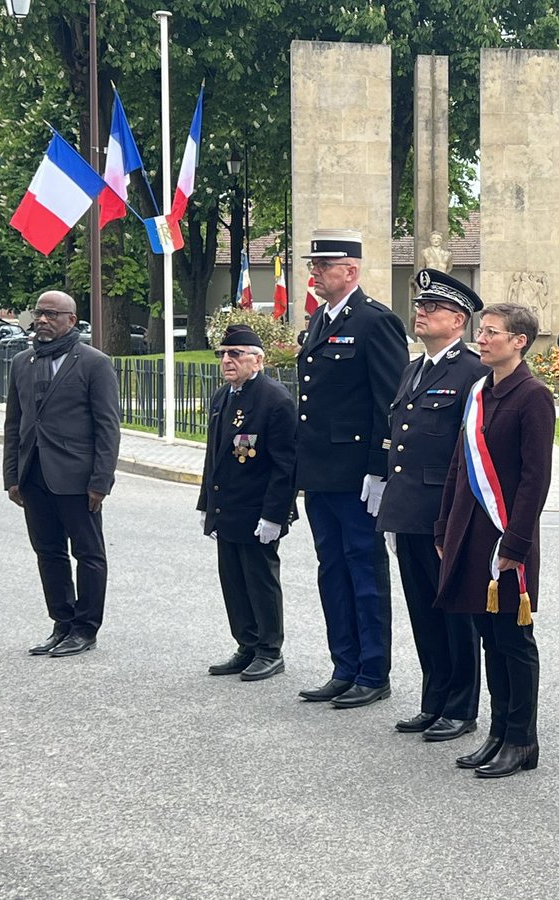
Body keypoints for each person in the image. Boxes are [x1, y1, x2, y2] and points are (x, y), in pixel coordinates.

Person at [434, 302, 555, 777]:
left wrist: (517, 544)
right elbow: (458, 465)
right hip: (470, 532)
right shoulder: (480, 391)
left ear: (519, 341)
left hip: (507, 537)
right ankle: (499, 731)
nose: (481, 339)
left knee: (513, 639)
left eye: (491, 333)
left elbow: (534, 479)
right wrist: (444, 525)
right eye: (481, 332)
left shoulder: (533, 396)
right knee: (488, 636)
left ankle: (523, 740)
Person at [296, 229, 409, 709]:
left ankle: (372, 670)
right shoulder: (320, 319)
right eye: (313, 266)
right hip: (320, 472)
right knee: (332, 570)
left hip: (356, 473)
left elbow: (390, 400)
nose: (315, 273)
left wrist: (379, 468)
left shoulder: (374, 322)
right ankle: (343, 665)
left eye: (324, 266)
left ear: (351, 271)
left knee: (364, 569)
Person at [377, 269, 486, 742]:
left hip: (445, 514)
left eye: (432, 308)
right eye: (420, 306)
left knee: (454, 612)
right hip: (409, 510)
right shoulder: (413, 368)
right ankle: (434, 698)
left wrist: (457, 520)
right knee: (423, 610)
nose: (420, 313)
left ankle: (461, 707)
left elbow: (471, 453)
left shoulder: (473, 372)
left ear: (458, 320)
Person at [4, 291, 121, 657]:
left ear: (71, 320)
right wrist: (12, 477)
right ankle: (62, 622)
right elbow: (14, 424)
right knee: (48, 552)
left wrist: (100, 480)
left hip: (77, 478)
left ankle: (86, 628)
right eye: (39, 313)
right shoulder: (22, 362)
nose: (42, 320)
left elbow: (108, 427)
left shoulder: (93, 363)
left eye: (51, 314)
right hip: (34, 476)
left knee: (88, 553)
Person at [197, 325, 297, 681]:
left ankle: (270, 649)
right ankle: (247, 643)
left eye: (236, 353)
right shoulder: (224, 396)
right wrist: (207, 504)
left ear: (258, 359)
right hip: (228, 506)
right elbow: (215, 456)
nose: (227, 360)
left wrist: (274, 515)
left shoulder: (274, 399)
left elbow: (285, 465)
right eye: (223, 353)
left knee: (260, 578)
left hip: (258, 508)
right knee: (234, 580)